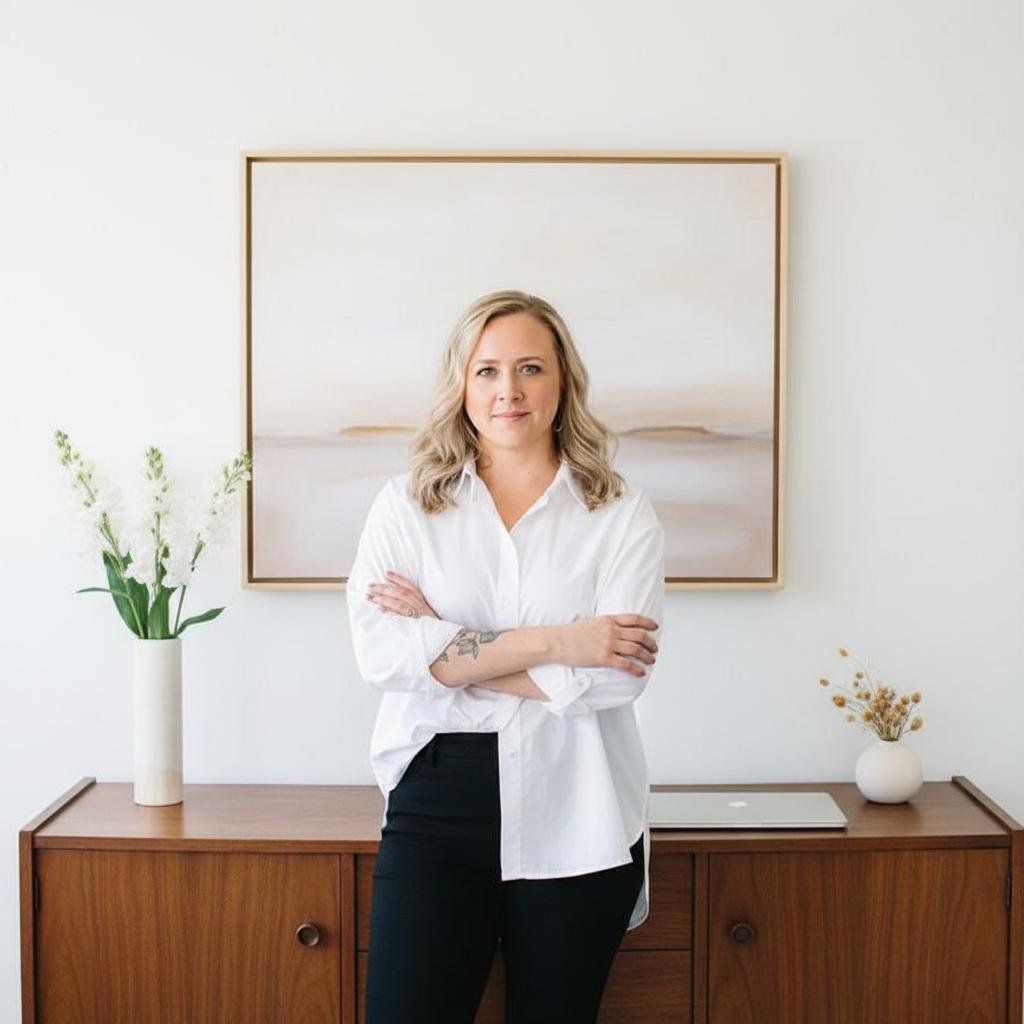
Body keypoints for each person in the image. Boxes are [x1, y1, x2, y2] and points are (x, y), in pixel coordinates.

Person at [346, 289, 666, 1024]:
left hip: (579, 806)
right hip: (435, 802)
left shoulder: (621, 515)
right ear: (461, 385)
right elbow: (384, 654)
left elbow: (614, 681)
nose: (508, 391)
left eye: (530, 368)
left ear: (563, 381)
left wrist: (444, 643)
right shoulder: (406, 506)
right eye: (487, 370)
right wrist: (562, 641)